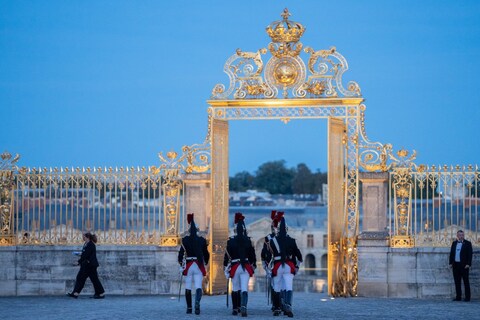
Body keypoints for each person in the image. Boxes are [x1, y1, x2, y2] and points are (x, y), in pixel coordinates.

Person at [269, 214, 302, 317]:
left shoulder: (272, 241)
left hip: (278, 266)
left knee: (277, 288)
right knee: (288, 287)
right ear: (287, 229)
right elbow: (299, 255)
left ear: (278, 230)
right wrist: (297, 266)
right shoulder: (292, 241)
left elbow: (270, 256)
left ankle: (277, 309)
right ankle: (288, 306)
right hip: (289, 266)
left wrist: (269, 268)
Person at [224, 213, 257, 317]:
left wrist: (225, 266)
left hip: (235, 266)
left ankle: (235, 309)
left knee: (235, 288)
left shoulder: (230, 241)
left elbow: (227, 256)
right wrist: (253, 264)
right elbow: (252, 256)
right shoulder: (248, 241)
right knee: (244, 288)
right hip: (246, 266)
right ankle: (243, 307)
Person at [178, 213, 210, 315]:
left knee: (188, 286)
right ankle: (197, 303)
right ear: (197, 230)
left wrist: (181, 264)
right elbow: (206, 254)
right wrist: (205, 262)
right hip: (198, 265)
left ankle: (189, 308)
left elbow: (180, 255)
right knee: (198, 286)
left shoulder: (185, 240)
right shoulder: (202, 240)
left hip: (188, 265)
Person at [67, 232, 105, 299]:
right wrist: (80, 255)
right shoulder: (86, 244)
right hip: (87, 265)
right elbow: (85, 253)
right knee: (84, 278)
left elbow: (86, 255)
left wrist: (78, 262)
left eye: (83, 236)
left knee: (88, 279)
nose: (83, 238)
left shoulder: (90, 244)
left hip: (90, 265)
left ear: (87, 237)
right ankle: (99, 293)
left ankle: (100, 293)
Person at [449, 230, 473, 302]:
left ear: (464, 235)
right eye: (459, 235)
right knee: (457, 282)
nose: (461, 236)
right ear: (457, 235)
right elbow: (451, 254)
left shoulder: (468, 243)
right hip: (455, 265)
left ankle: (467, 297)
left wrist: (468, 264)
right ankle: (458, 297)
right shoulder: (454, 243)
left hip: (464, 266)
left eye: (462, 235)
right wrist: (450, 263)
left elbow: (470, 254)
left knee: (466, 282)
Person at [261, 210, 277, 311]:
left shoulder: (269, 238)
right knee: (274, 285)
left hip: (275, 263)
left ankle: (278, 304)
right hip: (272, 263)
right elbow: (264, 252)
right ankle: (276, 303)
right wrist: (266, 264)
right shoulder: (268, 238)